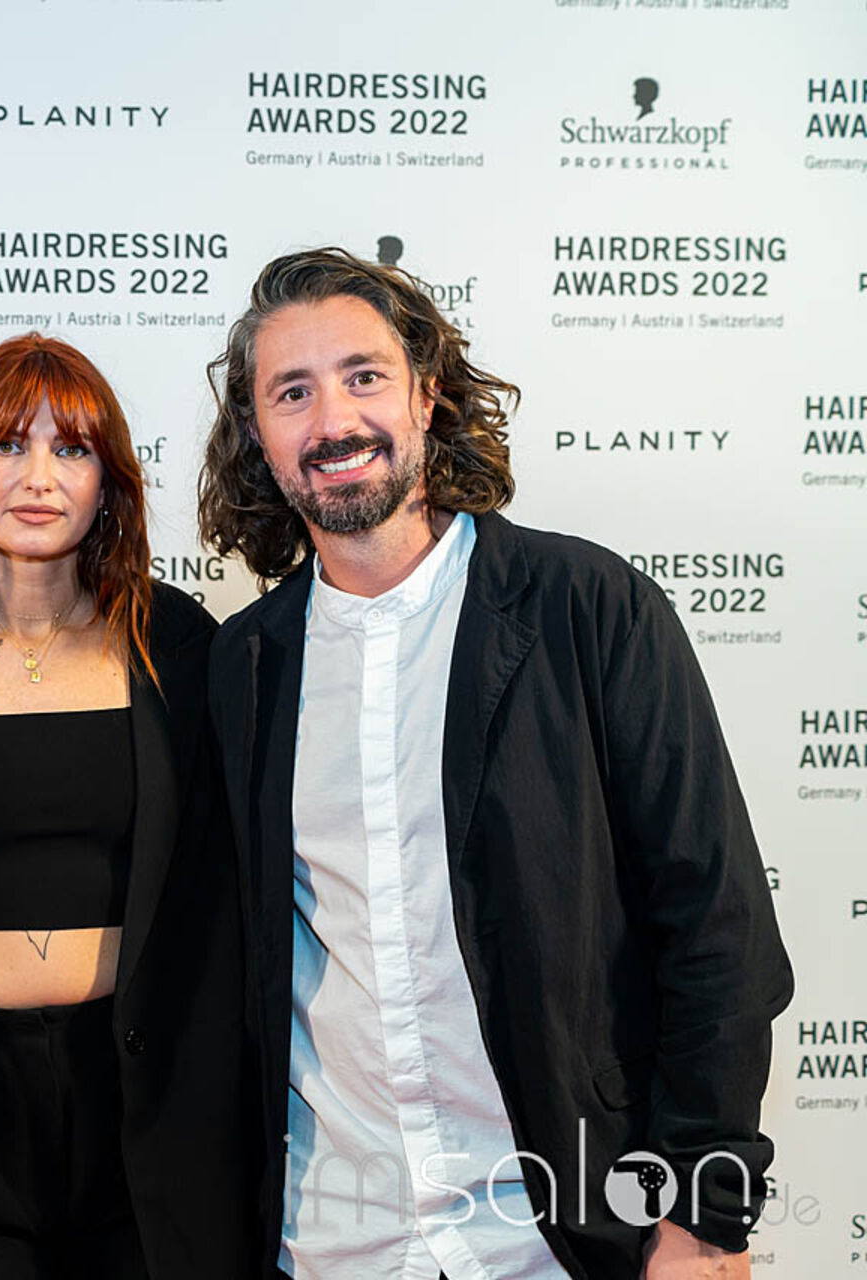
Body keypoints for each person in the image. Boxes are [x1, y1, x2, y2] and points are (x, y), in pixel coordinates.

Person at [198, 248, 792, 1279]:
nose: (333, 419)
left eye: (364, 376)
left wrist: (702, 1216)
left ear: (427, 394)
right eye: (292, 392)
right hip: (335, 1241)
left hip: (558, 1239)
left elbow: (717, 927)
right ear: (259, 433)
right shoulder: (246, 664)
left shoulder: (587, 608)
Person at [0, 334, 256, 1279]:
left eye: (71, 449)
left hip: (140, 1100)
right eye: (6, 445)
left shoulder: (180, 647)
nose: (38, 478)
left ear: (110, 482)